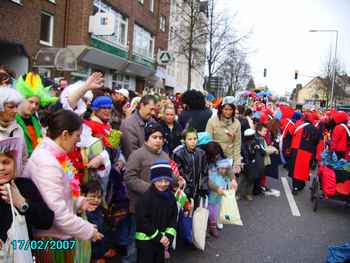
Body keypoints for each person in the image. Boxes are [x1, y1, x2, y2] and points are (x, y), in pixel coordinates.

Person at [24, 110, 104, 262]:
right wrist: (88, 230)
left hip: (55, 236)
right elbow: (57, 212)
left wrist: (79, 202)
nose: (78, 142)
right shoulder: (48, 163)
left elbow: (57, 195)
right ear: (65, 134)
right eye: (77, 136)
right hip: (51, 241)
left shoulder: (52, 155)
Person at [124, 123, 169, 263]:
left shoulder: (165, 155)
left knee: (155, 240)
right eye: (154, 137)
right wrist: (151, 189)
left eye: (161, 137)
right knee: (135, 243)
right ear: (147, 138)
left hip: (159, 207)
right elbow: (129, 178)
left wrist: (175, 179)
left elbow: (168, 175)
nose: (158, 140)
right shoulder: (137, 155)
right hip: (139, 206)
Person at [0, 137, 54, 255]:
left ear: (14, 163)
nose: (1, 168)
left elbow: (47, 221)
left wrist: (22, 203)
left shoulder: (24, 186)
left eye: (6, 162)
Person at [135, 160, 177, 263]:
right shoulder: (145, 198)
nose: (163, 184)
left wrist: (168, 237)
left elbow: (173, 218)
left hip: (161, 242)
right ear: (153, 180)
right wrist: (159, 237)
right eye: (159, 180)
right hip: (146, 242)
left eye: (166, 180)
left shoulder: (171, 197)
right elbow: (143, 221)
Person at [15, 72, 58, 156]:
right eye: (31, 102)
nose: (34, 106)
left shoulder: (35, 120)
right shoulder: (12, 120)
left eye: (37, 104)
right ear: (21, 100)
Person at [206, 96, 242, 174]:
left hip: (229, 158)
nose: (228, 112)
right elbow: (208, 141)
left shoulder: (237, 123)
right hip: (215, 158)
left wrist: (237, 163)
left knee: (229, 184)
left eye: (230, 109)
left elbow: (237, 144)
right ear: (221, 109)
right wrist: (214, 158)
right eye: (226, 109)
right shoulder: (212, 121)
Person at [173, 128, 208, 206]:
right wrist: (186, 189)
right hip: (184, 191)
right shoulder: (179, 154)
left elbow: (204, 171)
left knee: (197, 212)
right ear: (184, 140)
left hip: (198, 190)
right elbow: (179, 173)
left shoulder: (201, 153)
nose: (193, 141)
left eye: (195, 139)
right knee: (184, 211)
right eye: (189, 139)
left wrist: (203, 187)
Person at [288, 113, 321, 195]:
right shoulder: (315, 129)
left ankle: (295, 187)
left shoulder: (298, 123)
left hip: (296, 149)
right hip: (308, 152)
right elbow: (319, 142)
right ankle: (301, 185)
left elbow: (290, 132)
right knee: (303, 170)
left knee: (295, 169)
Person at [120, 95, 156, 160]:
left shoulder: (153, 122)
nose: (153, 113)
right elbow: (132, 153)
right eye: (151, 109)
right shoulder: (128, 124)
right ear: (142, 105)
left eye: (154, 110)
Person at [208, 158, 237, 238]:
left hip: (219, 198)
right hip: (211, 197)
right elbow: (209, 183)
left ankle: (214, 223)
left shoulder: (226, 174)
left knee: (216, 210)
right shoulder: (213, 173)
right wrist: (217, 188)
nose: (223, 170)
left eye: (225, 169)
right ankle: (212, 226)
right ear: (217, 167)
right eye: (221, 168)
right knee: (211, 212)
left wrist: (232, 184)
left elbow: (229, 182)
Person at [0, 87, 28, 171]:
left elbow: (24, 158)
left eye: (16, 106)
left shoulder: (19, 129)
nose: (15, 110)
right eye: (11, 107)